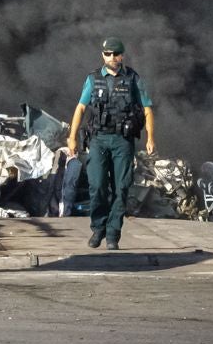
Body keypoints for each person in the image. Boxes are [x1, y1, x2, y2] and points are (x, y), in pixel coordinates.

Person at [65, 37, 154, 250]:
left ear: (122, 55)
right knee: (97, 186)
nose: (112, 58)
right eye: (108, 54)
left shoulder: (132, 79)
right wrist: (72, 137)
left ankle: (113, 233)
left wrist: (151, 138)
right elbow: (81, 108)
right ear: (102, 55)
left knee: (121, 187)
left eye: (116, 54)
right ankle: (98, 228)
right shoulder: (93, 79)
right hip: (98, 139)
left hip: (122, 141)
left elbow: (147, 109)